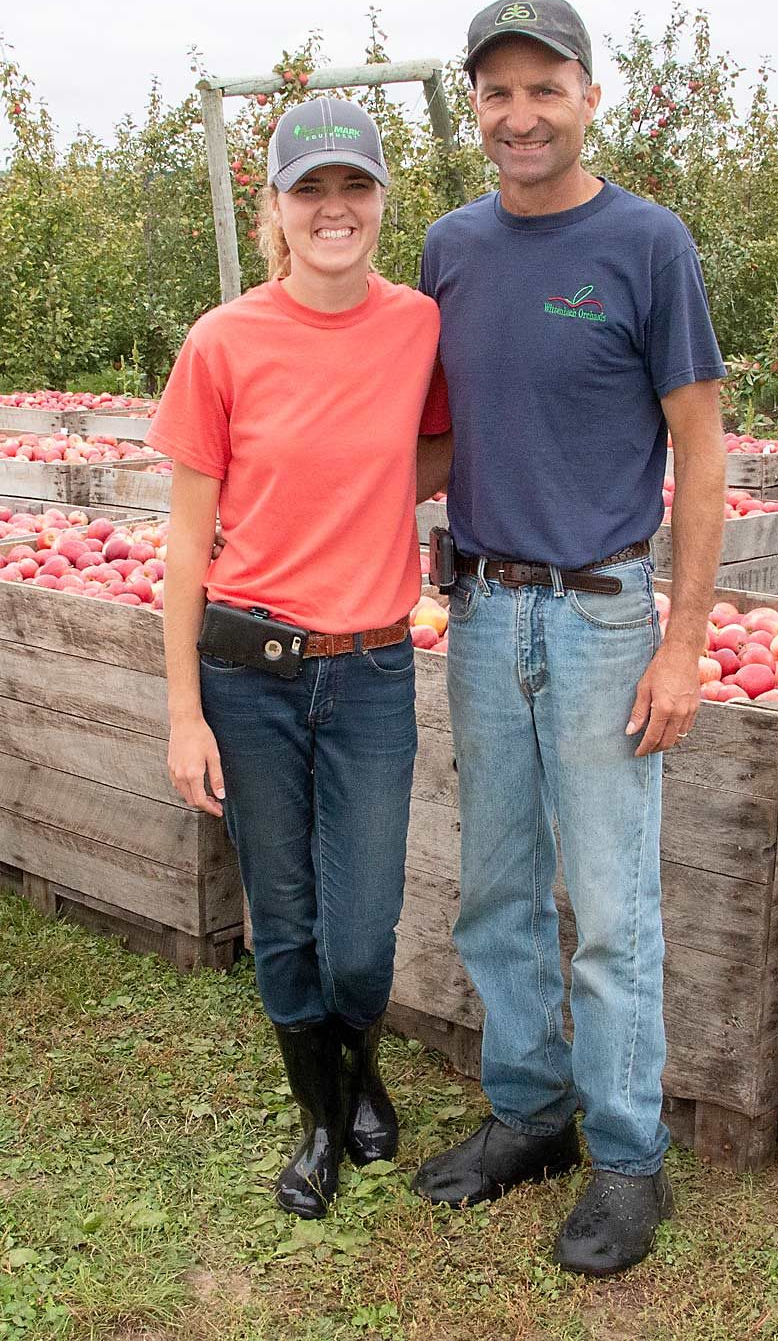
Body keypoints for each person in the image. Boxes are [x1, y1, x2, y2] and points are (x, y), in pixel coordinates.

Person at [411, 0, 727, 1276]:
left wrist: (685, 639)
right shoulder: (449, 247)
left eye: (545, 88)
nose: (520, 113)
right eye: (497, 91)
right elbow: (435, 437)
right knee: (494, 890)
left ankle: (626, 1154)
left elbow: (700, 450)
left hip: (601, 615)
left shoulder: (647, 244)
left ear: (590, 96)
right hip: (480, 609)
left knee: (608, 907)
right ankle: (529, 1112)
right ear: (474, 106)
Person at [147, 97, 451, 1221]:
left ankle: (359, 1055)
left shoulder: (418, 324)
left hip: (369, 669)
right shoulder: (221, 341)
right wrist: (184, 712)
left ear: (379, 201)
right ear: (273, 206)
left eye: (353, 187)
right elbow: (185, 543)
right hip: (247, 668)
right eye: (308, 189)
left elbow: (439, 443)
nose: (334, 209)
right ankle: (323, 1116)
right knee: (282, 914)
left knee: (362, 930)